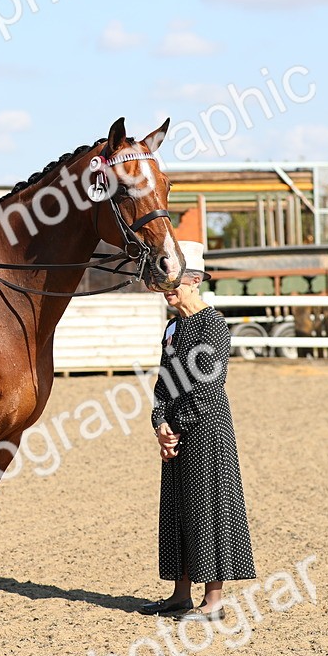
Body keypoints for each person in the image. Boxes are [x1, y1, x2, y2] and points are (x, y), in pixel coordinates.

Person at [137, 240, 256, 621]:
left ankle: (215, 600)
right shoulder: (173, 327)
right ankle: (180, 594)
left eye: (173, 281)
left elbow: (208, 384)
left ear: (194, 280)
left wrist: (178, 427)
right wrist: (160, 423)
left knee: (209, 508)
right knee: (178, 507)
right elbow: (163, 382)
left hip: (207, 427)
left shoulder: (213, 325)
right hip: (177, 427)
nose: (167, 288)